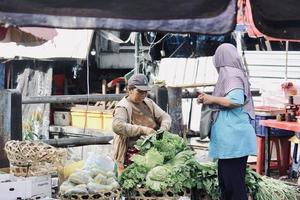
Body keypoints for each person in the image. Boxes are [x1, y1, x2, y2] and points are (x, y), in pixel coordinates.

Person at [197, 43, 257, 200]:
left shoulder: (231, 74)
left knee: (233, 186)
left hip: (233, 139)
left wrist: (210, 98)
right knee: (227, 183)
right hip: (231, 140)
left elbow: (235, 100)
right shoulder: (232, 73)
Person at [112, 73, 172, 176]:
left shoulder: (148, 103)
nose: (143, 95)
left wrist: (163, 128)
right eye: (140, 92)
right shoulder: (123, 107)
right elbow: (117, 126)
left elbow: (165, 117)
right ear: (129, 90)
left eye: (145, 92)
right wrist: (144, 130)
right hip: (131, 153)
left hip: (152, 152)